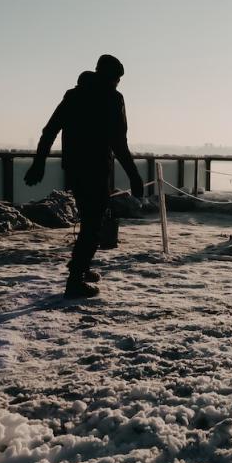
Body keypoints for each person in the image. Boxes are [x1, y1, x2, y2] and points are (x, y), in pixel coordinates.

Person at [24, 54, 145, 299]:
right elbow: (119, 142)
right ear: (113, 78)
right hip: (97, 168)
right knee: (93, 224)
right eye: (117, 79)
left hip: (74, 168)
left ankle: (81, 266)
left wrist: (39, 163)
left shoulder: (74, 95)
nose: (117, 84)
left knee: (89, 218)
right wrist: (134, 175)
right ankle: (75, 280)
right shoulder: (113, 98)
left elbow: (50, 131)